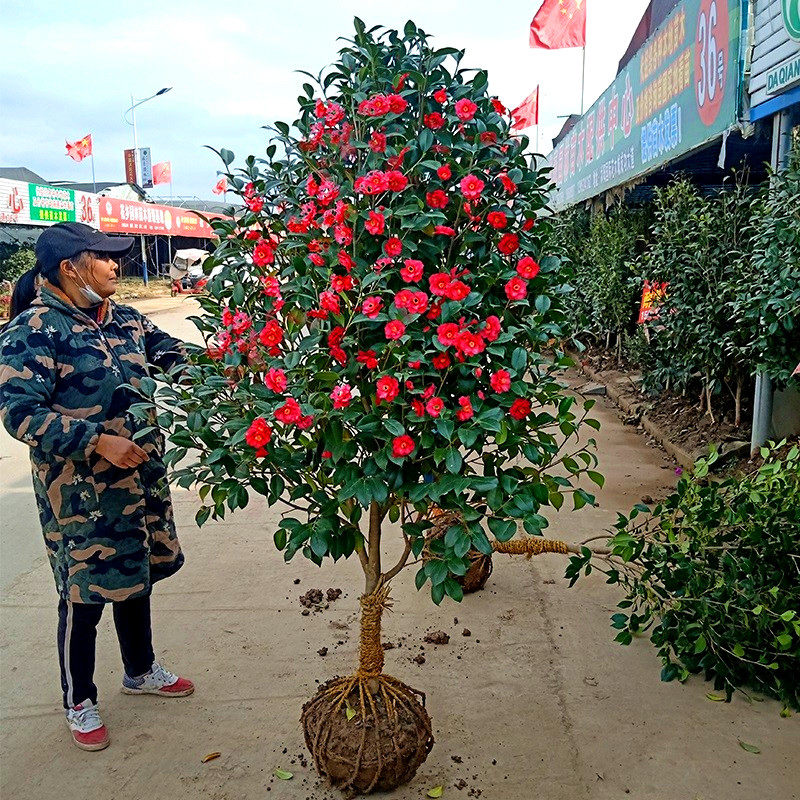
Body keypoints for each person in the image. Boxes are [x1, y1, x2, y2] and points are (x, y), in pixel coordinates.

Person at [0, 222, 193, 752]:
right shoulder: (34, 331)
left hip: (140, 479)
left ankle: (140, 669)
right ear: (70, 268)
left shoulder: (123, 318)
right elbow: (19, 413)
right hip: (81, 495)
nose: (117, 266)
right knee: (84, 595)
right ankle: (78, 700)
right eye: (104, 258)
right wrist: (96, 441)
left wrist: (235, 362)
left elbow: (171, 353)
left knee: (137, 573)